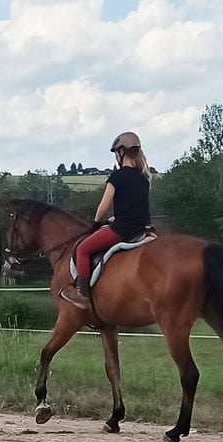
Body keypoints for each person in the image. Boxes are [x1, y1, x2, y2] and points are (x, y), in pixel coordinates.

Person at [61, 131, 152, 309]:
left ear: (121, 152)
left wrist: (95, 223)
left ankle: (82, 294)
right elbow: (136, 206)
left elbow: (102, 207)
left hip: (123, 230)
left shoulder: (117, 177)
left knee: (83, 249)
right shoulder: (143, 178)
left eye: (116, 153)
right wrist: (115, 217)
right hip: (143, 229)